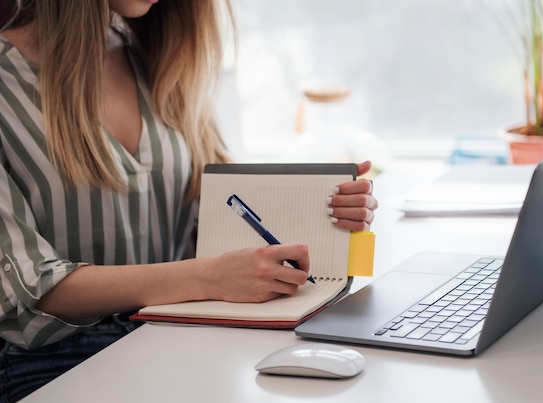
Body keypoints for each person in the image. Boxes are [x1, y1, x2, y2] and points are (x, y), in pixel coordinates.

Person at [0, 1, 378, 401]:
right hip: (55, 360)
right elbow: (27, 290)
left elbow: (221, 216)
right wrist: (208, 277)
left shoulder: (160, 58)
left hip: (186, 334)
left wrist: (330, 215)